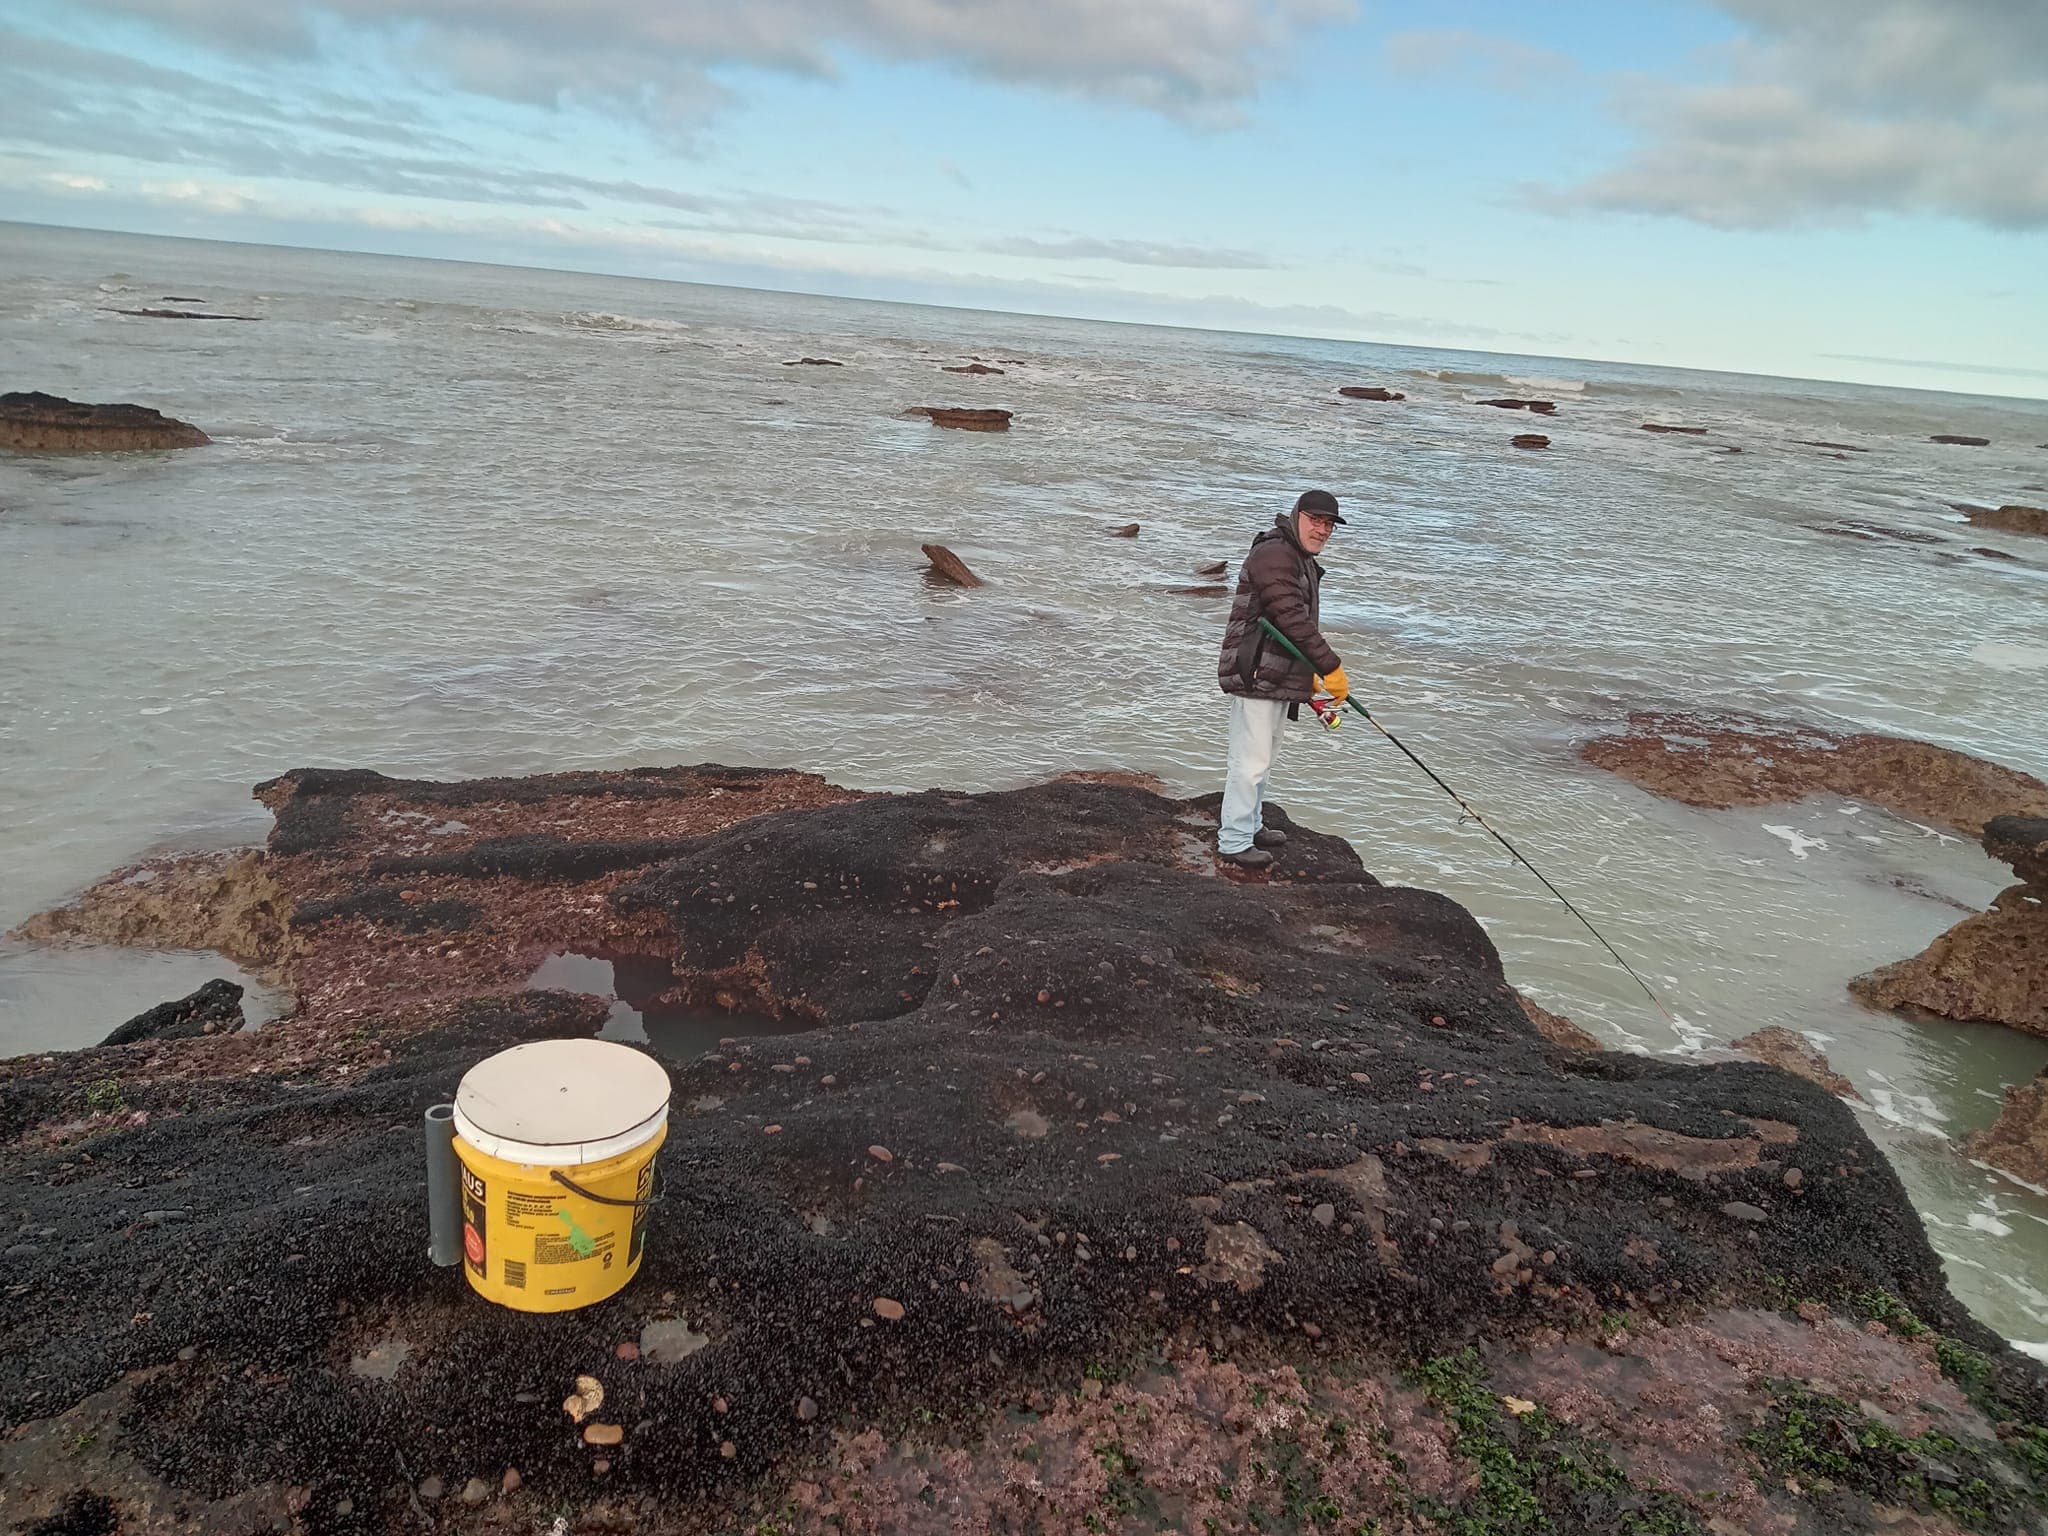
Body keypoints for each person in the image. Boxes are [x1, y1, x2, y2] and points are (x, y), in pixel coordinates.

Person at [1213, 489, 1350, 868]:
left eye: (1328, 524)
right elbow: (1291, 618)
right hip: (1255, 673)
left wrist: (1307, 679)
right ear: (1296, 517)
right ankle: (1234, 841)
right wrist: (1330, 667)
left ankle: (1251, 825)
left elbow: (1292, 629)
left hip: (1275, 676)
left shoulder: (1299, 557)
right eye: (1315, 520)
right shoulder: (1275, 553)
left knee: (1264, 757)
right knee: (1250, 761)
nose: (1321, 530)